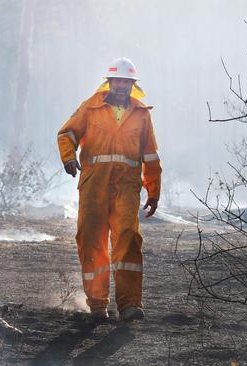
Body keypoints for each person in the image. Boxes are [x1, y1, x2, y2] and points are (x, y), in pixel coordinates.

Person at [56, 57, 162, 322]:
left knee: (128, 240)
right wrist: (68, 157)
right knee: (91, 241)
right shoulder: (90, 108)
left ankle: (129, 305)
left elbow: (150, 156)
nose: (121, 86)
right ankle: (97, 304)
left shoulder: (142, 114)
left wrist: (154, 190)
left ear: (132, 86)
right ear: (109, 82)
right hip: (93, 187)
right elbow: (66, 134)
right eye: (117, 81)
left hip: (126, 189)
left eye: (127, 82)